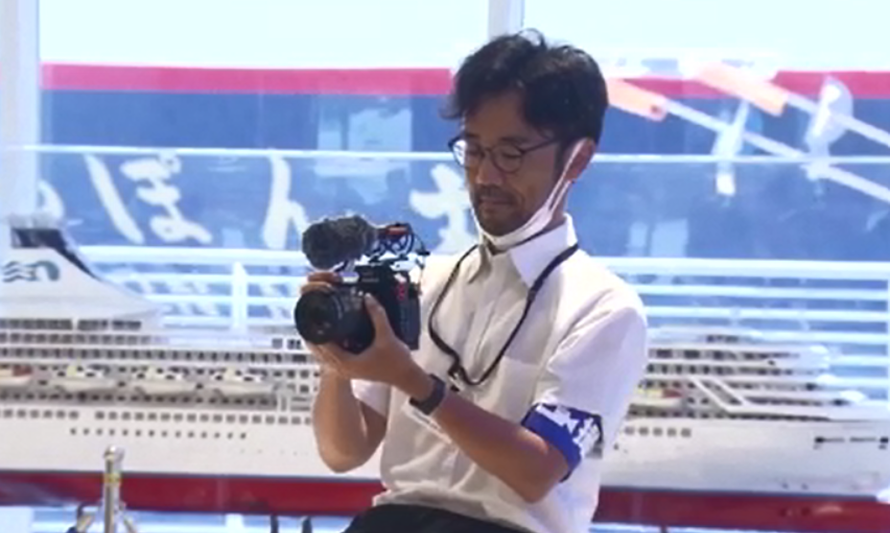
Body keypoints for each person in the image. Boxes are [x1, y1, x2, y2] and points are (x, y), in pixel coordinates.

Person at [302, 29, 649, 533]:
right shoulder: (425, 282)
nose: (485, 176)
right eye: (474, 150)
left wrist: (414, 382)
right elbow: (343, 452)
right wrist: (335, 360)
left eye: (511, 154)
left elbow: (536, 472)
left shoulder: (604, 309)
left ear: (577, 158)